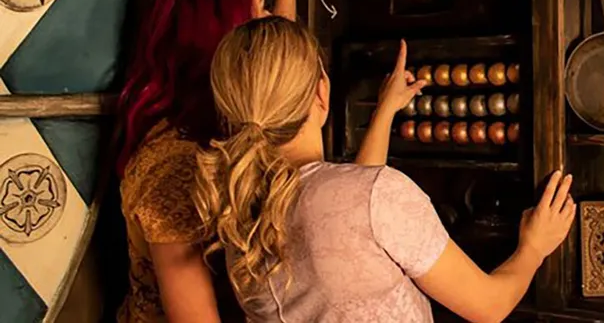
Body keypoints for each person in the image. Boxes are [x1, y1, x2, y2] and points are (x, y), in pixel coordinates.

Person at [194, 17, 576, 323]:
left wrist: (384, 114)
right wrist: (533, 248)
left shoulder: (240, 216)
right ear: (321, 94)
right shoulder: (374, 197)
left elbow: (352, 217)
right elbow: (489, 307)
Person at [116, 0, 297, 323]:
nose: (267, 27)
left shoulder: (215, 132)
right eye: (258, 17)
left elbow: (275, 79)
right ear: (222, 42)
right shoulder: (173, 167)